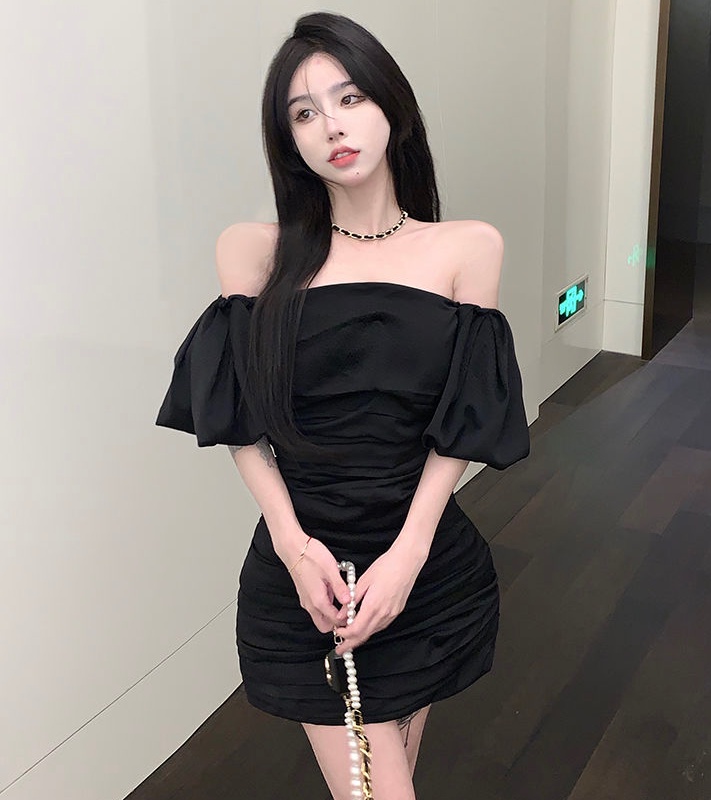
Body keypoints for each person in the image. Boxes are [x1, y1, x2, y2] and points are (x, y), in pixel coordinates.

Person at [156, 11, 530, 800]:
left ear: (392, 105)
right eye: (304, 112)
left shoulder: (468, 248)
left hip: (423, 574)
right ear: (288, 140)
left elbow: (461, 424)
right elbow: (240, 421)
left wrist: (410, 554)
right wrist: (293, 545)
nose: (331, 125)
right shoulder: (252, 251)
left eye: (349, 98)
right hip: (307, 580)